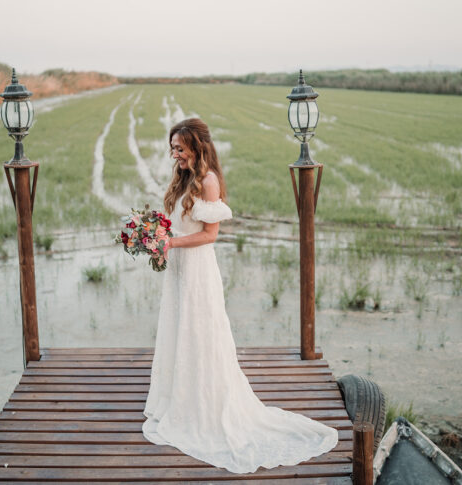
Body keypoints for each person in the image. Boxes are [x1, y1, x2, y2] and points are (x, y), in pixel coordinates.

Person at [142, 118, 339, 474]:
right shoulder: (183, 177)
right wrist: (155, 236)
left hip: (198, 270)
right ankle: (178, 398)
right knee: (178, 330)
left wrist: (170, 242)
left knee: (200, 335)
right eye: (172, 148)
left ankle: (204, 405)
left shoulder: (209, 181)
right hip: (179, 270)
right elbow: (176, 223)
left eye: (180, 149)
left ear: (197, 148)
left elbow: (209, 235)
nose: (174, 154)